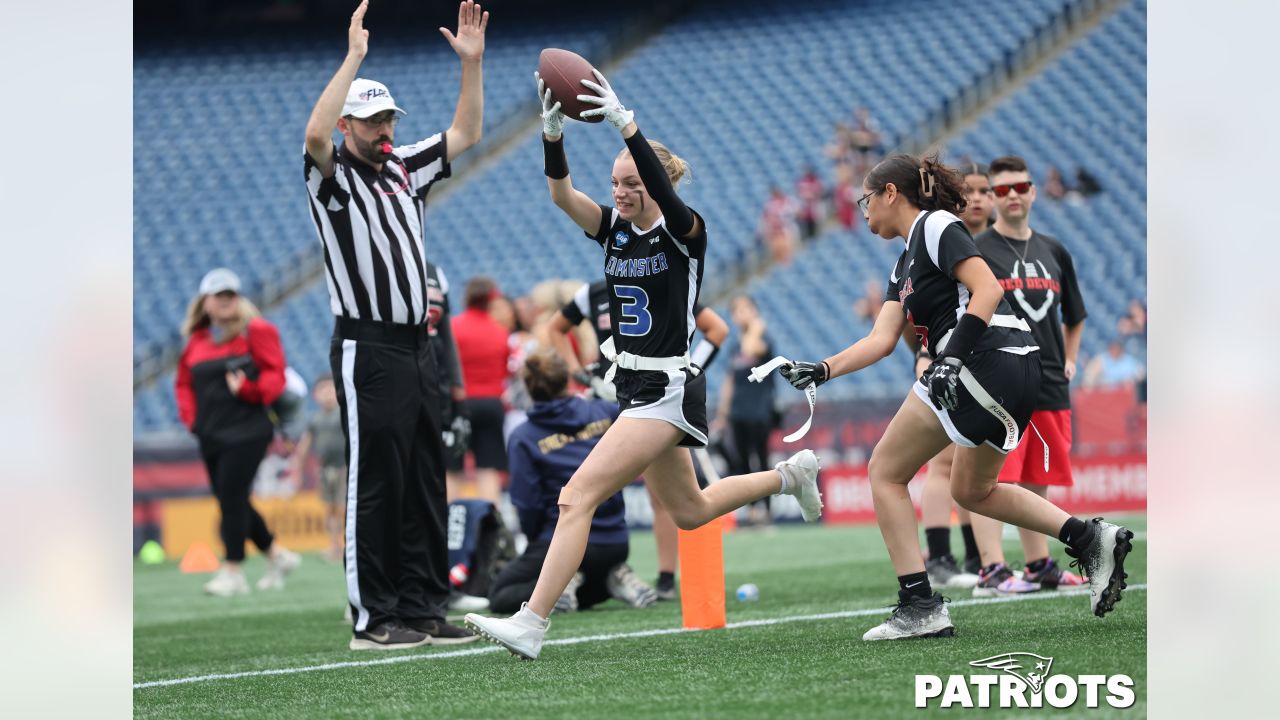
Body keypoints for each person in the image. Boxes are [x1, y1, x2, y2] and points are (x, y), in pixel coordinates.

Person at [463, 68, 822, 660]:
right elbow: (560, 195)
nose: (620, 192)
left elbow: (663, 193)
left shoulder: (685, 233)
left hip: (668, 389)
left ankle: (531, 622)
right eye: (615, 183)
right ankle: (792, 476)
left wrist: (627, 125)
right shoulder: (613, 234)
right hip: (636, 389)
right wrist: (552, 137)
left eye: (630, 183)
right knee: (691, 511)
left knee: (576, 497)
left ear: (654, 185)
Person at [776, 154, 1133, 640]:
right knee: (972, 491)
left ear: (891, 193)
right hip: (1008, 367)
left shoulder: (936, 225)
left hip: (986, 360)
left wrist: (952, 358)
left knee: (884, 471)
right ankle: (1091, 539)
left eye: (865, 198)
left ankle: (920, 605)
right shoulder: (904, 261)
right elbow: (881, 340)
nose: (861, 210)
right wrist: (823, 369)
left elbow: (986, 288)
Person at [301, 0, 487, 649]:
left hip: (419, 346)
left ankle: (421, 607)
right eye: (373, 119)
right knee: (375, 482)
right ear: (350, 121)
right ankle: (372, 617)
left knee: (424, 479)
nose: (384, 128)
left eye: (388, 118)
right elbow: (313, 139)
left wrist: (472, 65)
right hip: (367, 345)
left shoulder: (403, 167)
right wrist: (353, 58)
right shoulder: (334, 178)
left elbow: (464, 134)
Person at [550, 279, 729, 598]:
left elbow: (716, 330)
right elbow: (556, 327)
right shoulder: (592, 292)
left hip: (652, 401)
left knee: (665, 497)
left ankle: (663, 576)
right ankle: (590, 574)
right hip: (607, 400)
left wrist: (687, 372)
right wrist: (577, 371)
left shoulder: (658, 281)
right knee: (584, 491)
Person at [969, 155, 1090, 594]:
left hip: (1050, 379)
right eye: (1000, 190)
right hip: (998, 380)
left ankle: (1039, 564)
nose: (1011, 196)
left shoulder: (1055, 250)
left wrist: (1071, 356)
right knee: (990, 479)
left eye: (1019, 187)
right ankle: (992, 569)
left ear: (1033, 191)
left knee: (1037, 475)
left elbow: (1075, 314)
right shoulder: (977, 249)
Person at [493, 351, 659, 614]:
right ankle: (610, 580)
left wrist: (539, 541)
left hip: (560, 540)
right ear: (567, 380)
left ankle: (567, 581)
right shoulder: (604, 411)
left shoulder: (523, 436)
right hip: (614, 543)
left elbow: (527, 502)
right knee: (591, 576)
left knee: (499, 595)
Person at [176, 268, 301, 596]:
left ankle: (232, 571)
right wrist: (192, 420)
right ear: (205, 303)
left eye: (231, 294)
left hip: (248, 429)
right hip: (211, 433)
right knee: (233, 500)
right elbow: (184, 385)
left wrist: (249, 389)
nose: (226, 300)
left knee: (230, 497)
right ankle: (276, 554)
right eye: (219, 295)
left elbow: (277, 377)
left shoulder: (257, 331)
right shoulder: (196, 343)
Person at [914, 162, 995, 589]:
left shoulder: (999, 247)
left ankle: (978, 557)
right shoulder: (944, 239)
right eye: (972, 190)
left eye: (987, 190)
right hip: (945, 359)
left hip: (985, 362)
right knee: (944, 463)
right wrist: (928, 362)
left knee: (973, 465)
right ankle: (941, 557)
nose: (979, 197)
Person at [713, 295, 778, 527]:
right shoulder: (734, 345)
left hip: (760, 411)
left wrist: (756, 326)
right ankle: (752, 511)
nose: (740, 315)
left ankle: (767, 512)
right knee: (741, 463)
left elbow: (751, 348)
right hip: (738, 412)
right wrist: (722, 414)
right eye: (736, 311)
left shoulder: (763, 338)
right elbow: (730, 380)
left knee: (761, 460)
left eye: (745, 309)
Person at [450, 275, 512, 503]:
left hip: (459, 403)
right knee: (488, 468)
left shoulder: (453, 327)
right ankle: (492, 527)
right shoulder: (500, 332)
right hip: (491, 404)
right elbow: (508, 370)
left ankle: (447, 528)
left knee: (452, 468)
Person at [290, 374, 347, 562]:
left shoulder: (344, 414)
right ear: (316, 395)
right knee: (329, 509)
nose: (328, 394)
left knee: (342, 508)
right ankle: (334, 544)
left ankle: (346, 544)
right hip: (325, 470)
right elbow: (305, 446)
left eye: (331, 389)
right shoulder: (315, 419)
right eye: (323, 390)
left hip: (344, 468)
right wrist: (298, 470)